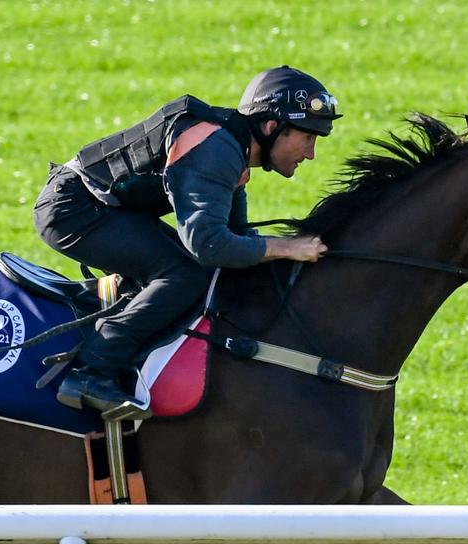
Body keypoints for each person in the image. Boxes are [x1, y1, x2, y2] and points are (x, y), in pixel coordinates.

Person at [33, 66, 339, 420]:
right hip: (72, 210)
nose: (312, 153)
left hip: (99, 207)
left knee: (195, 271)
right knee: (184, 274)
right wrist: (286, 247)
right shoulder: (216, 149)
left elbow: (235, 238)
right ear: (272, 127)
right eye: (308, 138)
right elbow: (208, 245)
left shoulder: (233, 149)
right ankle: (90, 373)